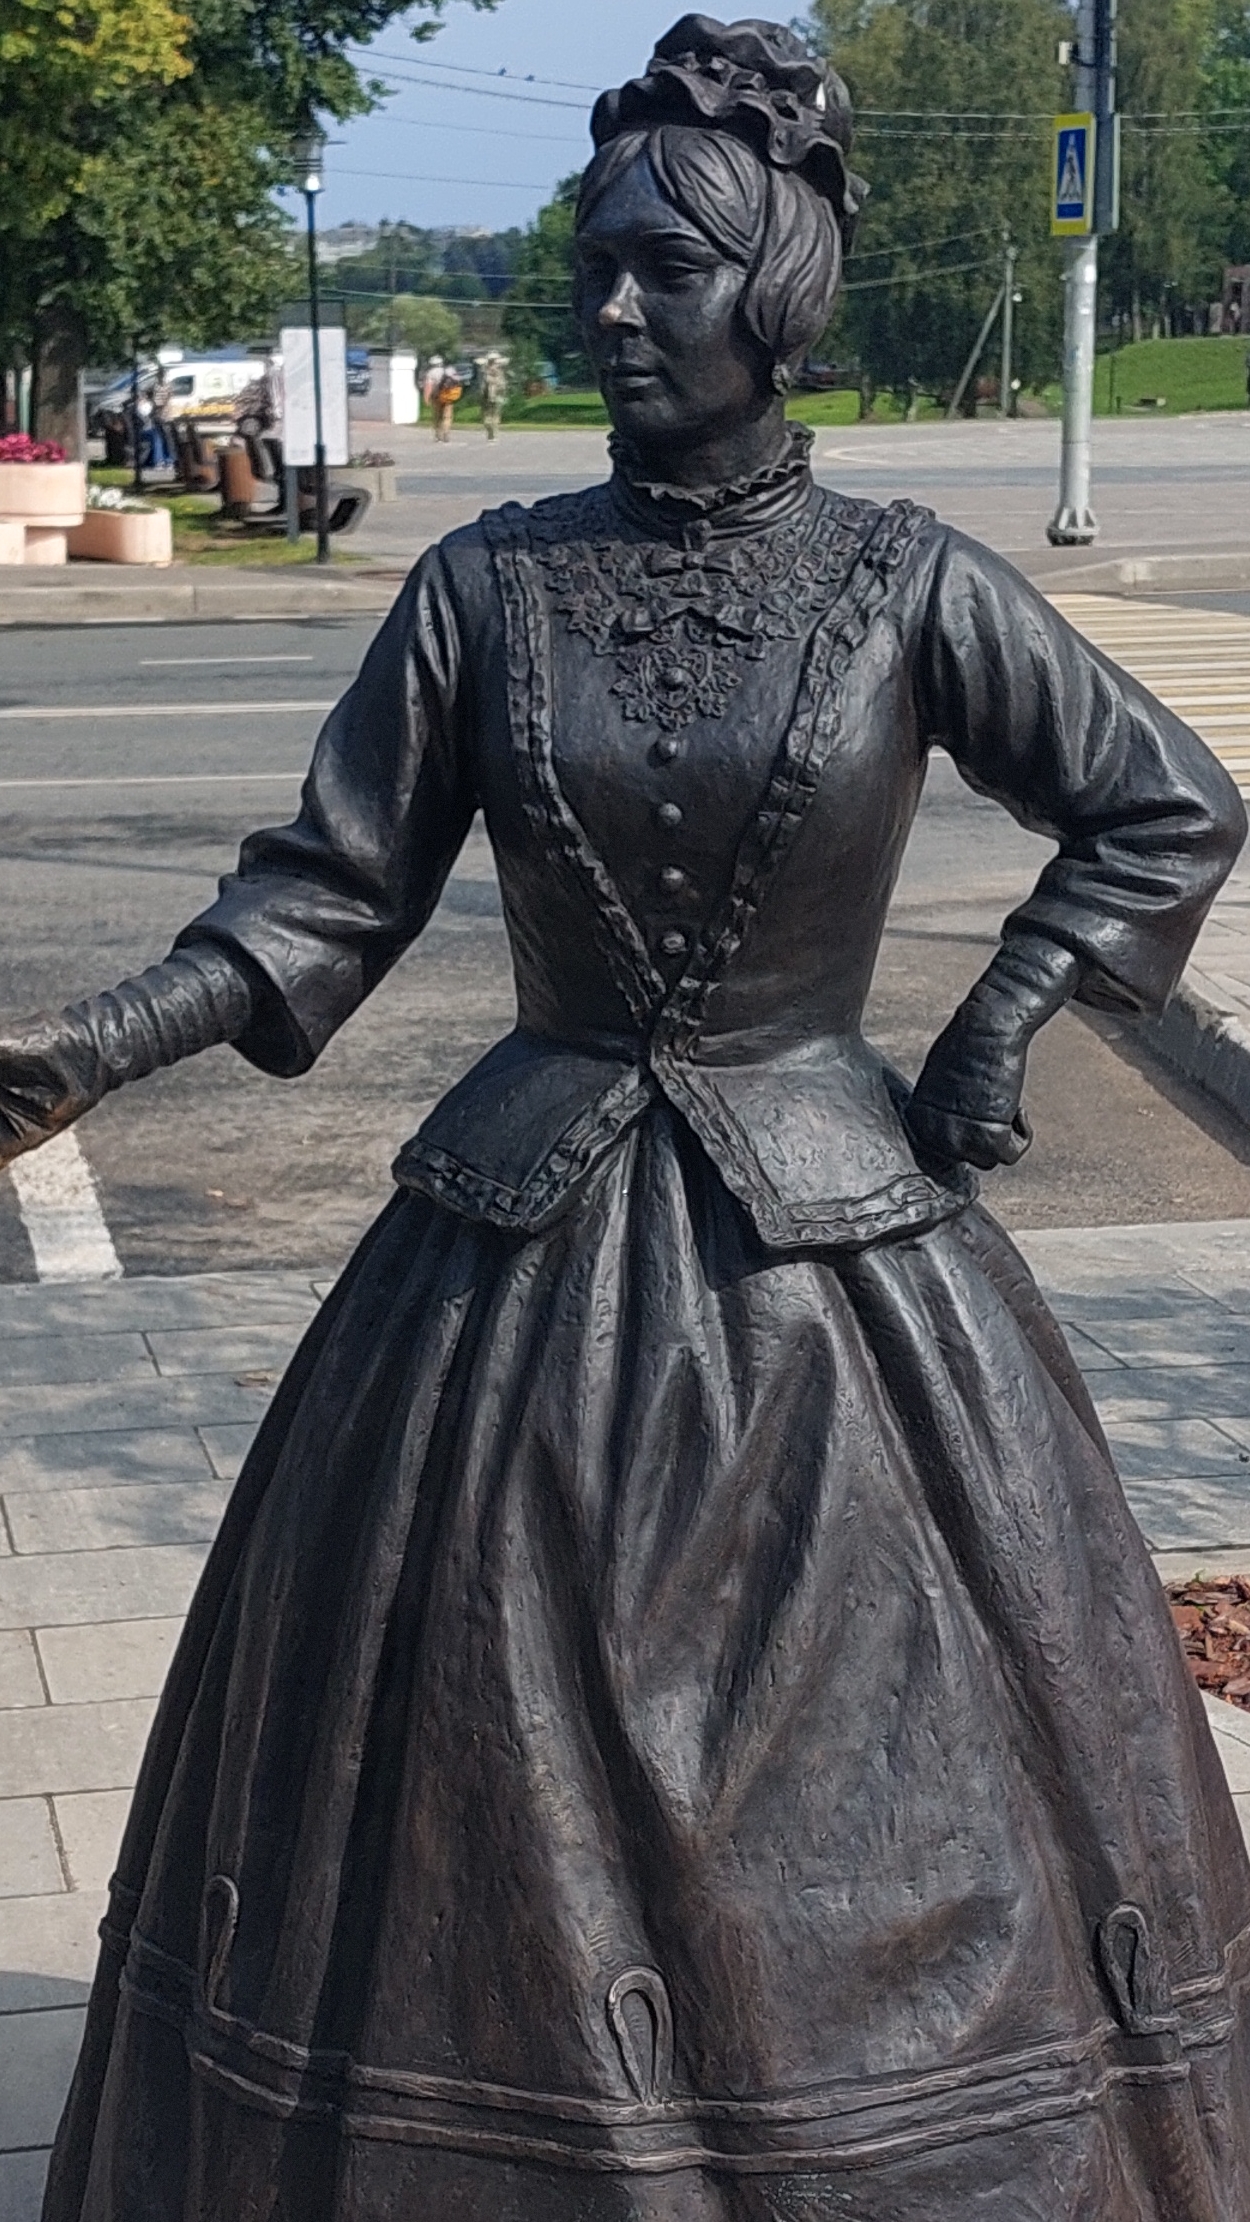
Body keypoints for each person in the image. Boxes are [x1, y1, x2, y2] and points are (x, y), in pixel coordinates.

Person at [20, 16, 1250, 2220]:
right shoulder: (486, 586)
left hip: (840, 1289)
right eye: (593, 264)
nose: (609, 307)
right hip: (507, 1286)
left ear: (775, 296)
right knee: (466, 1759)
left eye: (664, 270)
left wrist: (1003, 1021)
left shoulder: (906, 577)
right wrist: (93, 1041)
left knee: (893, 1752)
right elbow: (327, 895)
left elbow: (1162, 802)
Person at [480, 349, 508, 439]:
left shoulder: (498, 373)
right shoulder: (486, 373)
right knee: (488, 417)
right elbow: (483, 387)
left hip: (497, 396)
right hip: (487, 397)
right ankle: (491, 431)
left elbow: (503, 386)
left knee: (495, 414)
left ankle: (493, 433)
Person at [434, 361, 462, 442]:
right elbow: (459, 382)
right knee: (447, 417)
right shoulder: (452, 372)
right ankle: (446, 434)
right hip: (449, 398)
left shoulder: (437, 372)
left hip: (439, 397)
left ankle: (438, 436)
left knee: (438, 417)